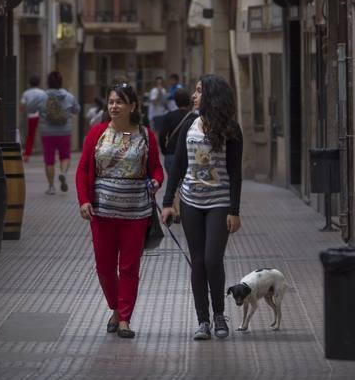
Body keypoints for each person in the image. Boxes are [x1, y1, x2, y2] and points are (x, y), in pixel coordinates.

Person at [75, 82, 164, 339]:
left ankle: (124, 318)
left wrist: (156, 181)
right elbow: (82, 170)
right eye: (111, 101)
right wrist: (83, 200)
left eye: (120, 102)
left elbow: (157, 168)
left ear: (133, 106)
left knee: (128, 267)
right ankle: (115, 307)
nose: (114, 106)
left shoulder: (146, 135)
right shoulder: (97, 133)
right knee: (104, 267)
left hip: (136, 213)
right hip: (101, 212)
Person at [161, 74, 243, 342]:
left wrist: (234, 210)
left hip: (219, 203)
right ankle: (203, 321)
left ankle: (220, 315)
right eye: (194, 91)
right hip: (191, 202)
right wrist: (167, 202)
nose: (194, 96)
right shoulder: (189, 126)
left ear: (211, 95)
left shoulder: (231, 129)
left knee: (212, 259)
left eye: (198, 91)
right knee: (197, 261)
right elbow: (178, 166)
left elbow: (234, 171)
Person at [38, 69, 80, 194]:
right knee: (65, 156)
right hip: (64, 131)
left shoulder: (42, 96)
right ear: (61, 82)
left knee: (49, 159)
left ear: (48, 82)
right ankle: (63, 173)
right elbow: (76, 110)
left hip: (47, 132)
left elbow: (34, 108)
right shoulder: (69, 96)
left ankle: (51, 187)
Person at [158, 87, 193, 221]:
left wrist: (165, 151)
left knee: (174, 181)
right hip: (188, 156)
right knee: (182, 183)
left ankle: (175, 209)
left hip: (171, 154)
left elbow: (162, 136)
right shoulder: (193, 117)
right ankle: (178, 211)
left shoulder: (169, 116)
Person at [20, 74, 45, 162]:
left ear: (29, 83)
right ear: (39, 83)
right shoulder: (42, 93)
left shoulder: (26, 93)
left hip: (31, 116)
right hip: (42, 116)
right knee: (45, 135)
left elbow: (22, 106)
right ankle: (48, 153)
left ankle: (27, 154)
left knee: (30, 135)